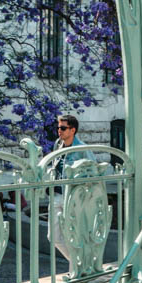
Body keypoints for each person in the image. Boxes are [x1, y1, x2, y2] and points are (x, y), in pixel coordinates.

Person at [49, 113, 88, 272]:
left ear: (73, 130)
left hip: (71, 198)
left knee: (73, 237)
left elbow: (92, 170)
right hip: (57, 195)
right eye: (58, 127)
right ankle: (81, 265)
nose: (59, 130)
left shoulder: (82, 149)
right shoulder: (58, 144)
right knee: (54, 238)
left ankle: (75, 275)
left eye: (63, 128)